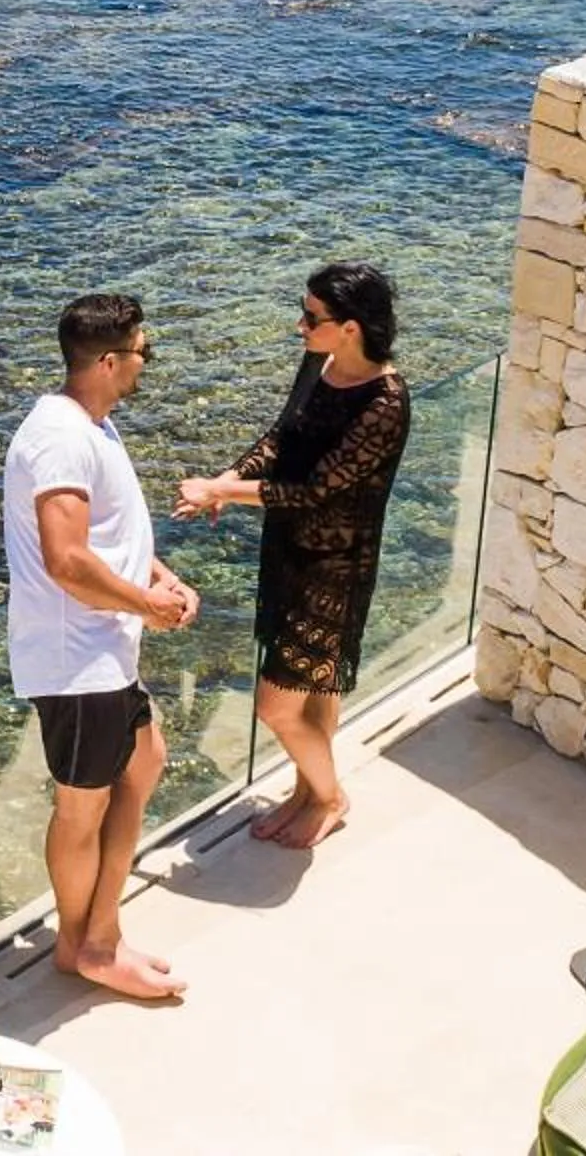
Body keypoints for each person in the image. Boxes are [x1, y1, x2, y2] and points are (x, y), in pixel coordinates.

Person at [4, 291, 202, 1001]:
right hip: (76, 660)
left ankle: (96, 932)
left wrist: (161, 577)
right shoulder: (60, 437)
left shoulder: (93, 425)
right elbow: (66, 558)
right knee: (80, 809)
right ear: (111, 360)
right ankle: (86, 945)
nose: (149, 365)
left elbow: (110, 540)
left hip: (103, 653)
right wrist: (147, 604)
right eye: (145, 353)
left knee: (145, 761)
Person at [173, 260, 408, 850]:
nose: (300, 327)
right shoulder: (321, 363)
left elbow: (315, 491)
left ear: (350, 327)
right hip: (289, 553)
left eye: (311, 318)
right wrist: (228, 476)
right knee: (317, 691)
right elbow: (284, 437)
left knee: (277, 707)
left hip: (336, 569)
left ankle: (330, 795)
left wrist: (222, 491)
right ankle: (307, 793)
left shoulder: (385, 403)